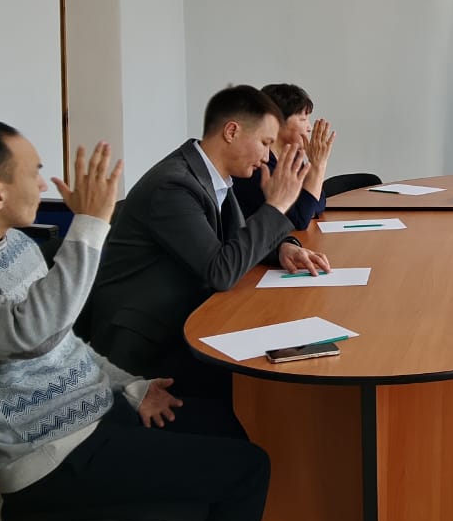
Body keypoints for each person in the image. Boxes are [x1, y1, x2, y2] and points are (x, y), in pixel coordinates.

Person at [0, 121, 270, 521]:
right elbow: (31, 334)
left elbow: (65, 344)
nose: (43, 183)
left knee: (227, 421)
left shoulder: (14, 245)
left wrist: (130, 386)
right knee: (248, 470)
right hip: (49, 458)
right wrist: (90, 225)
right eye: (33, 172)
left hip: (92, 415)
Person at [86, 85, 331, 395]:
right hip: (144, 349)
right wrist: (276, 207)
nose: (267, 156)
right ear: (232, 131)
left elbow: (233, 240)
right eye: (265, 143)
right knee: (267, 386)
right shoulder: (173, 186)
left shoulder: (212, 176)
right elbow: (221, 271)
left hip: (185, 320)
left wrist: (282, 248)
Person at [232, 83, 335, 231]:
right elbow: (300, 220)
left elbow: (318, 202)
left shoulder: (292, 157)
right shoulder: (257, 165)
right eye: (303, 119)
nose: (309, 127)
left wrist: (307, 207)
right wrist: (318, 165)